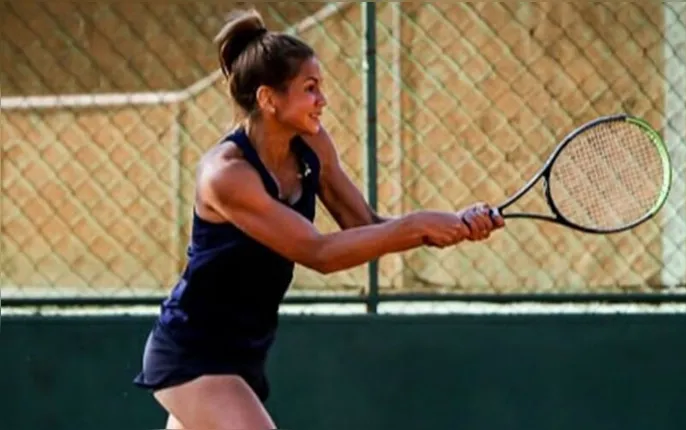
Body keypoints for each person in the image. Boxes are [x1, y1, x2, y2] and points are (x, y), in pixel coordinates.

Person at [132, 8, 504, 430]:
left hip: (244, 353)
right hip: (193, 352)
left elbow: (361, 222)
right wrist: (418, 224)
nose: (322, 100)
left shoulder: (311, 146)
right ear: (269, 99)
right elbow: (319, 253)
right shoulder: (227, 174)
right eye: (310, 89)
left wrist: (450, 226)